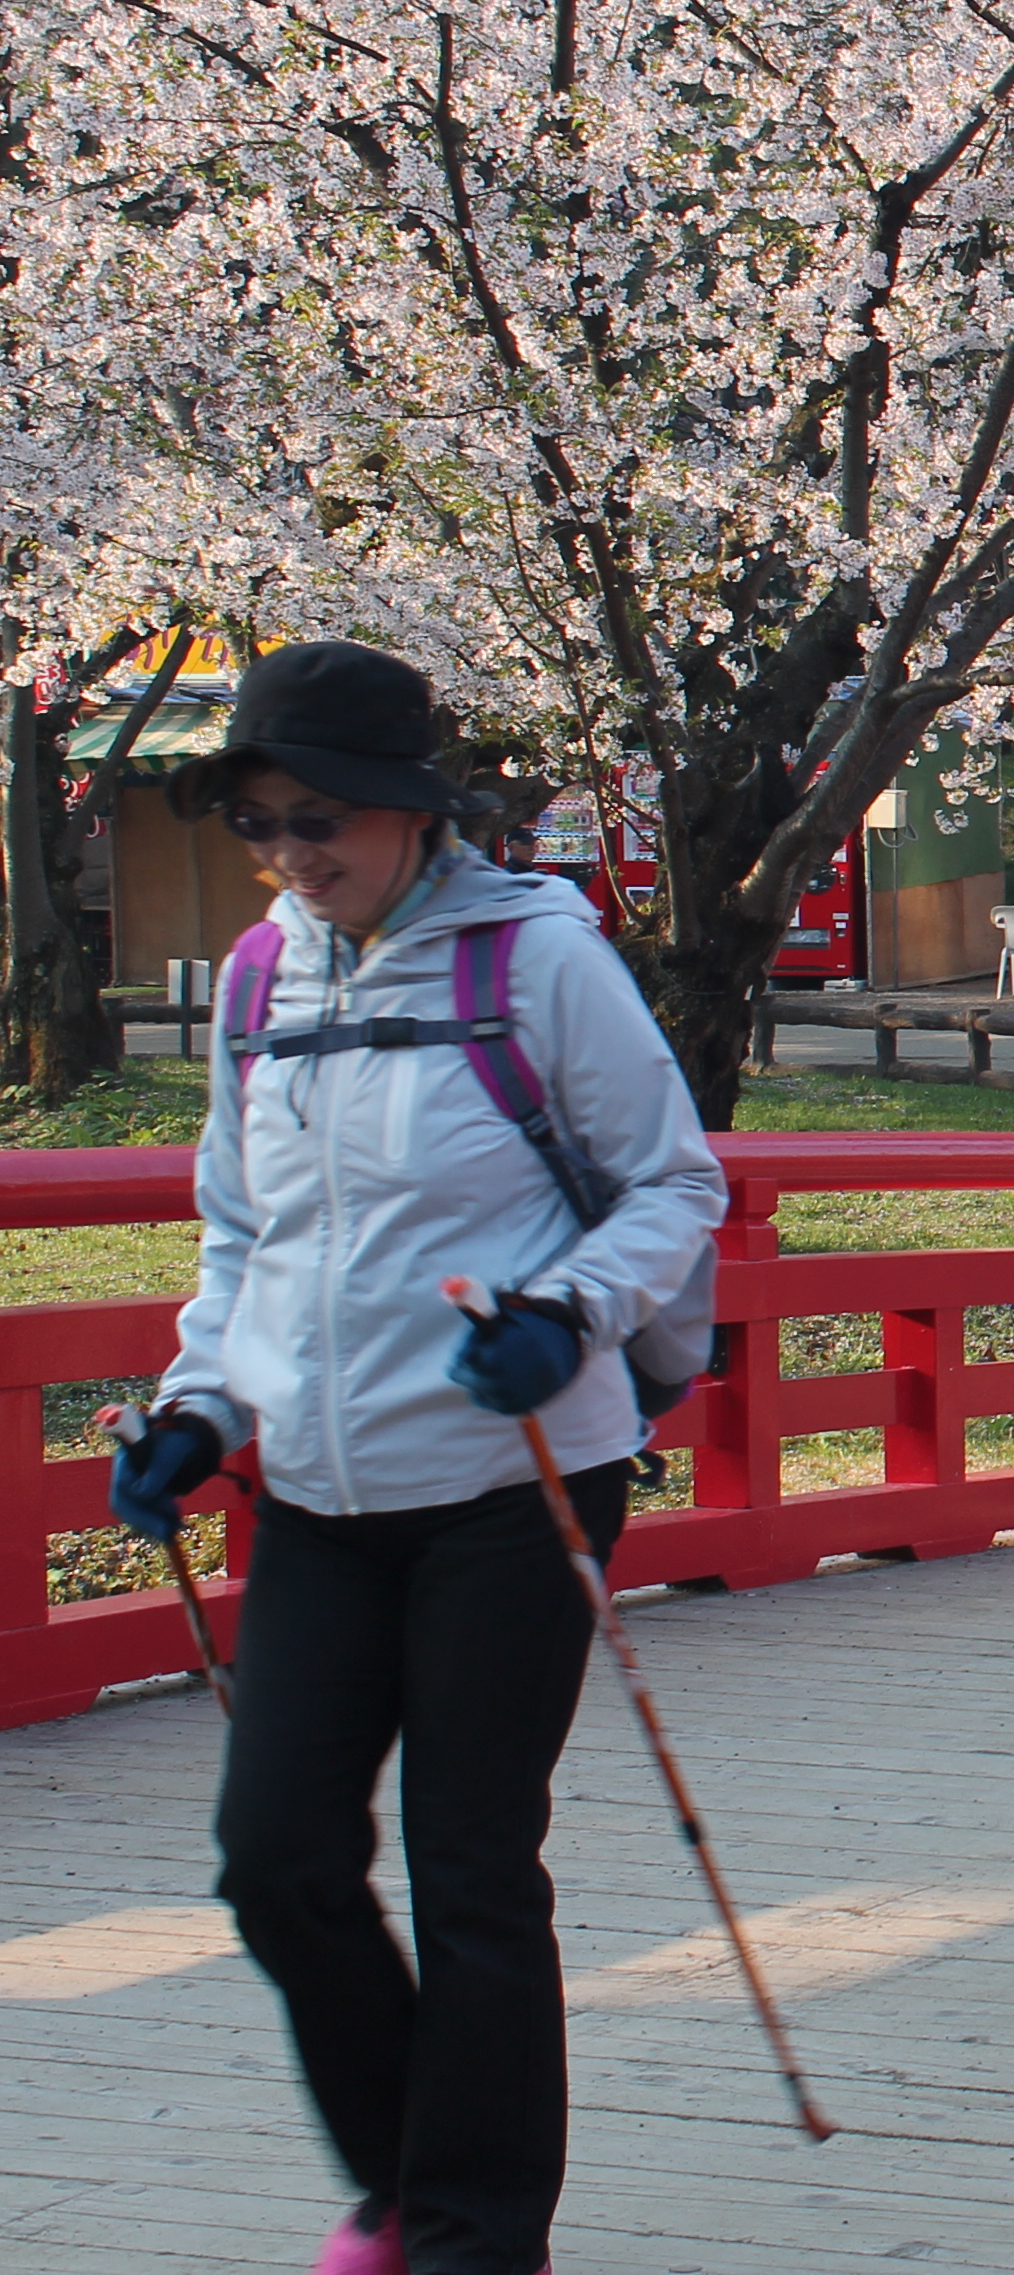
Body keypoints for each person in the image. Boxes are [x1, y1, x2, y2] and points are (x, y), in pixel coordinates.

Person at [108, 641, 726, 2275]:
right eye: (261, 820)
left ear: (406, 811)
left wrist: (569, 1312)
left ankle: (471, 2229)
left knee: (467, 1858)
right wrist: (197, 1405)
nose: (293, 852)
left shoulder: (537, 963)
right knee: (278, 1859)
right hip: (316, 1485)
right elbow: (243, 1237)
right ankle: (401, 2167)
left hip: (512, 1475)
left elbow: (673, 1186)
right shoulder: (259, 977)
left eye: (319, 817)